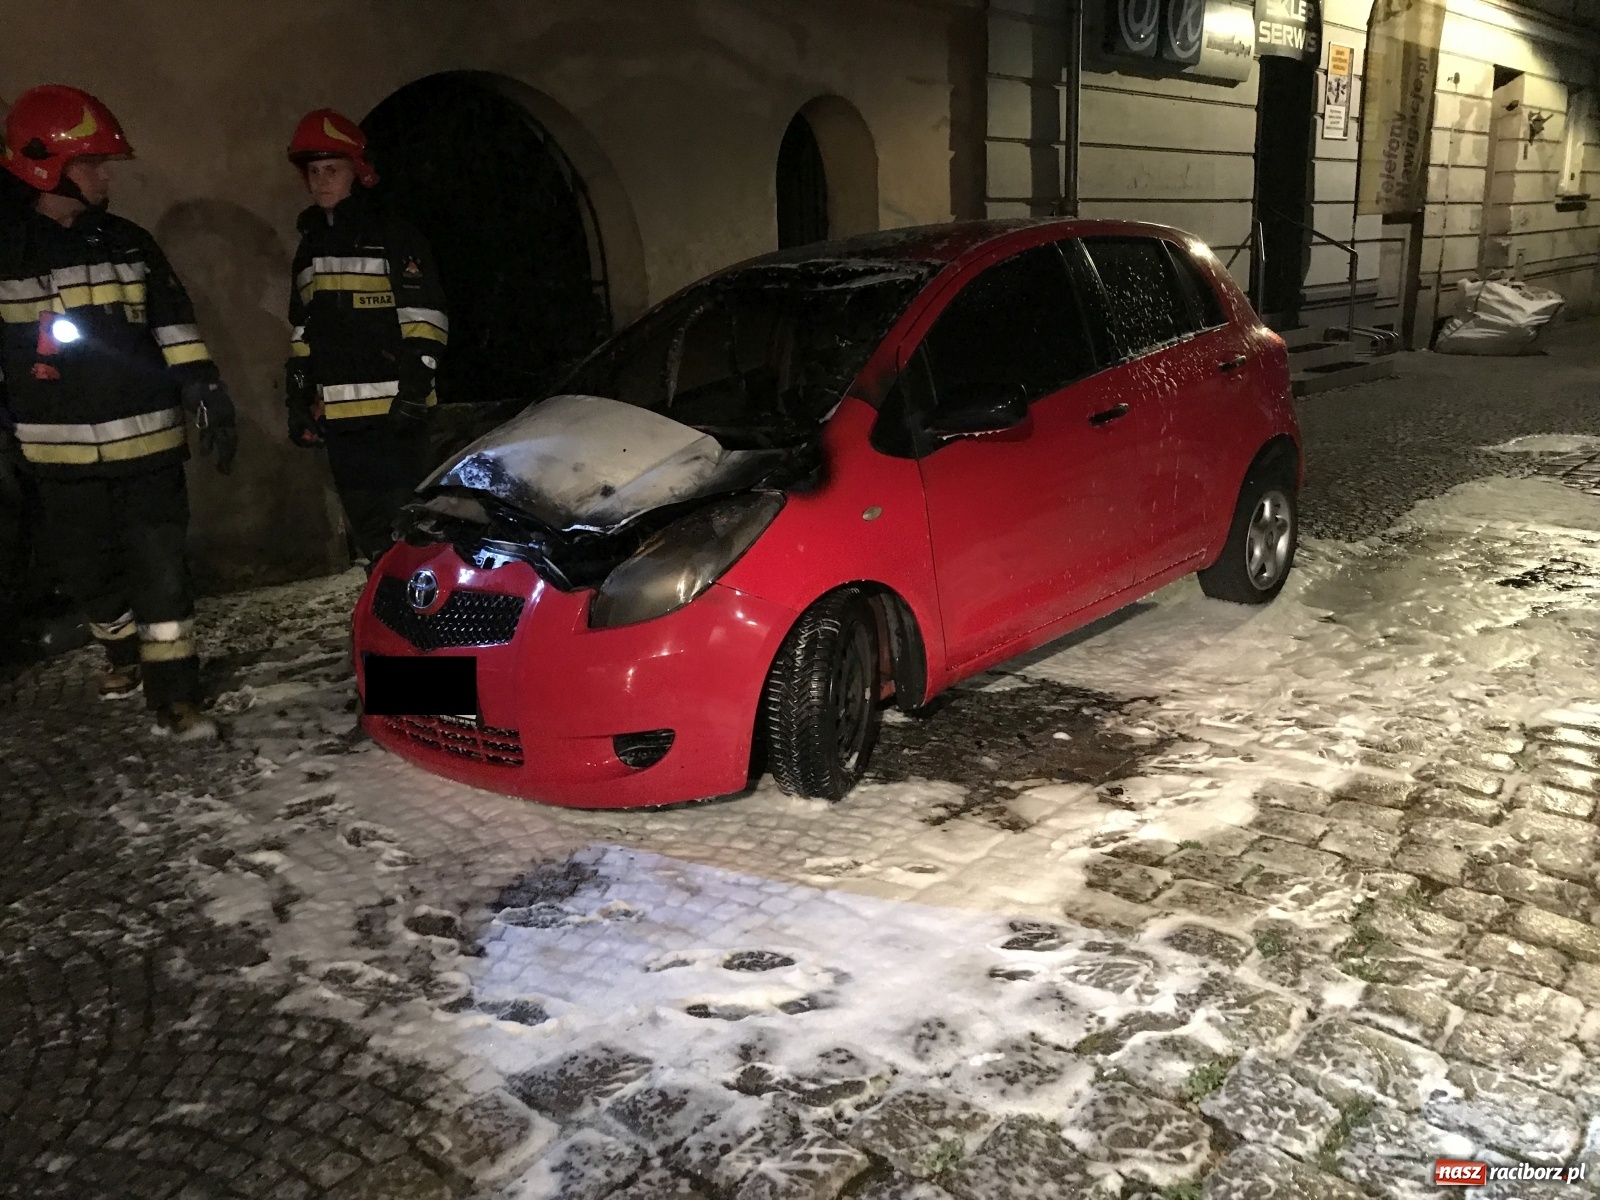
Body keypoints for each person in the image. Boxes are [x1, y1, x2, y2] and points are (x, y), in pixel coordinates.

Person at [0, 84, 237, 737]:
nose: (105, 176)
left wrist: (204, 388)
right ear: (48, 166)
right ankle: (118, 643)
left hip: (149, 453)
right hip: (60, 462)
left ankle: (176, 698)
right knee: (91, 576)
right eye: (92, 164)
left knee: (163, 577)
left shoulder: (129, 245)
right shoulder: (6, 254)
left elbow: (174, 326)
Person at [284, 109, 446, 568]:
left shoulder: (392, 234)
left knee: (412, 536)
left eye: (331, 169)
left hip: (396, 416)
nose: (320, 181)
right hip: (341, 420)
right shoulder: (311, 245)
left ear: (359, 171)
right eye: (313, 172)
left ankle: (426, 630)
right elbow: (303, 329)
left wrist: (416, 388)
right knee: (374, 541)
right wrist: (299, 399)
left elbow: (426, 318)